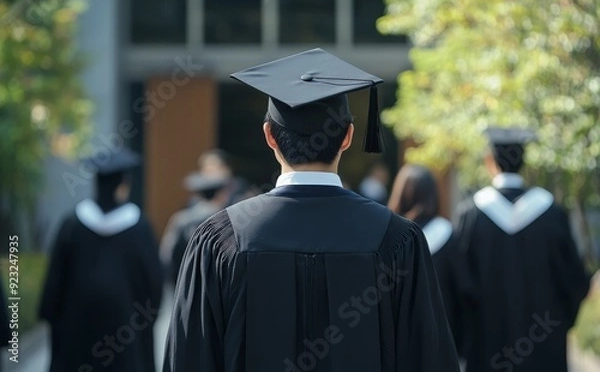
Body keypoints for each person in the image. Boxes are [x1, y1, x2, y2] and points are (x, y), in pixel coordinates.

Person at [163, 48, 459, 371]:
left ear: (270, 136)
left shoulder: (222, 241)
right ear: (348, 137)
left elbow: (189, 359)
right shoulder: (397, 240)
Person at [453, 127, 591, 372]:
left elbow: (459, 288)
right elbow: (575, 281)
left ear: (490, 160)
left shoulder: (472, 215)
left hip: (487, 350)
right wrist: (559, 322)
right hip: (544, 351)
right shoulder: (551, 214)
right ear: (524, 161)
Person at [39, 147, 163, 372]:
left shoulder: (73, 224)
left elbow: (55, 282)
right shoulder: (139, 228)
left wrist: (50, 314)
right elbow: (153, 284)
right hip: (126, 334)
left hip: (76, 331)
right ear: (123, 185)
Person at [387, 164, 463, 350]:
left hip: (397, 343)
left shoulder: (387, 235)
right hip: (441, 340)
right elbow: (463, 290)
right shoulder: (447, 236)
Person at [160, 173, 231, 284]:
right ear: (221, 195)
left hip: (186, 281)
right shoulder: (227, 221)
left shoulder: (181, 219)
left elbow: (168, 257)